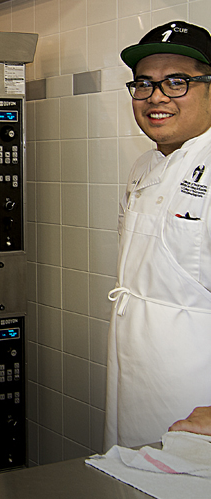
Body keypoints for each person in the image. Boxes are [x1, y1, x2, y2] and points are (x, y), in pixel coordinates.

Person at [105, 20, 211, 449]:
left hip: (195, 394)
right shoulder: (145, 167)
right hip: (134, 375)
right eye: (144, 84)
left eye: (177, 82)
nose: (156, 97)